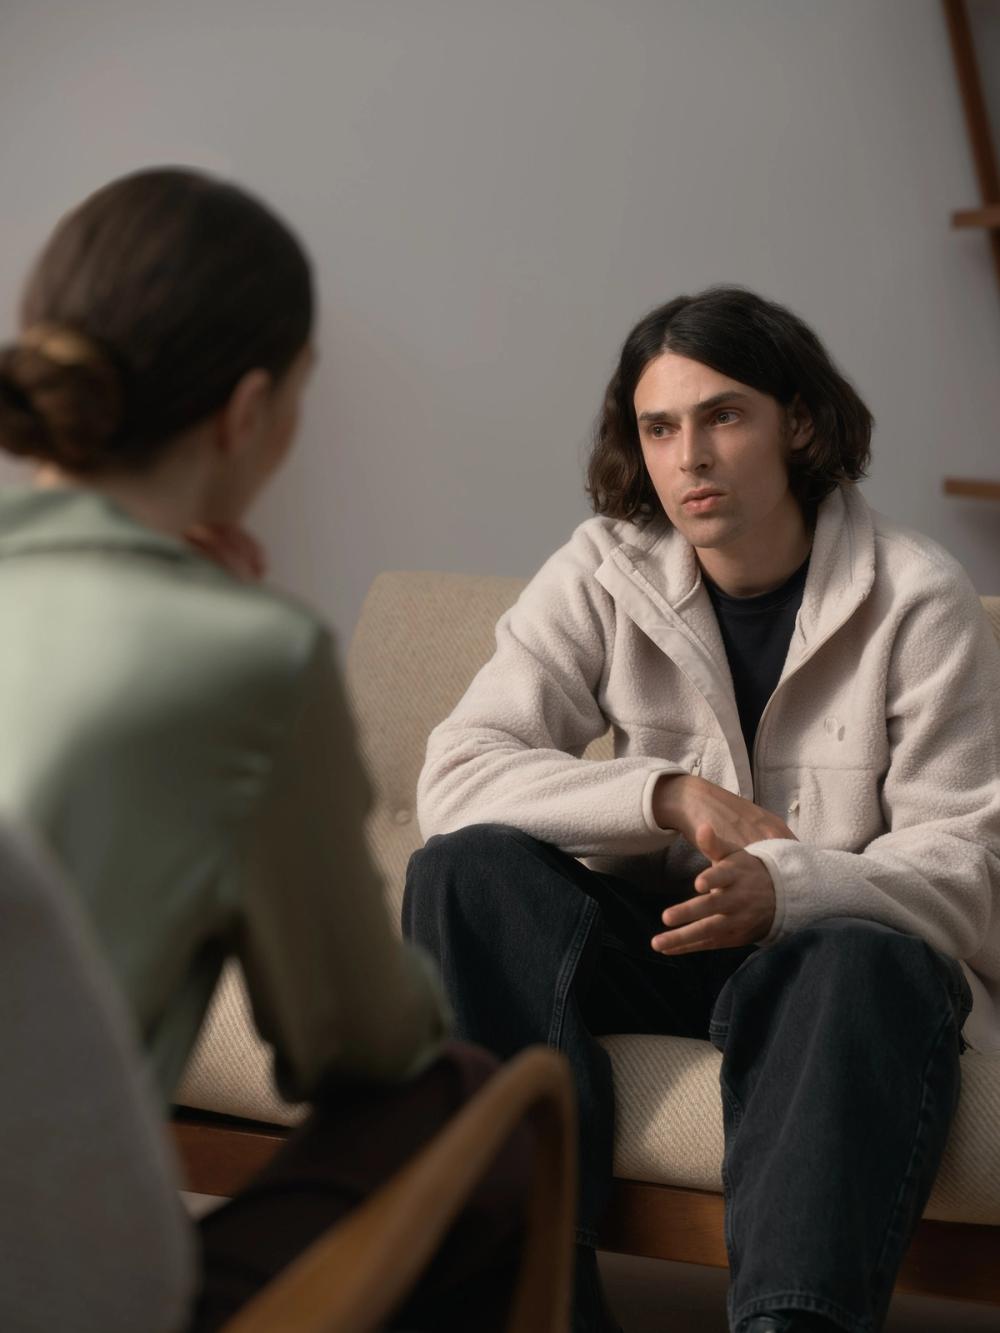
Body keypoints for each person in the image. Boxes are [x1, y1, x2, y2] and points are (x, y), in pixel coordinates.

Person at [403, 287, 1000, 1333]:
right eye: (660, 427)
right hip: (663, 944)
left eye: (723, 415)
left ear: (797, 423)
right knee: (462, 872)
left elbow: (968, 877)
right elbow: (455, 776)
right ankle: (522, 1304)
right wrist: (664, 794)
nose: (690, 458)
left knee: (856, 959)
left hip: (831, 972)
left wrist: (790, 889)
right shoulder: (602, 569)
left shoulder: (917, 597)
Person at [0, 167, 532, 1332]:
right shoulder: (245, 660)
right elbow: (359, 1043)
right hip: (59, 1298)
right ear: (247, 413)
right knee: (471, 1102)